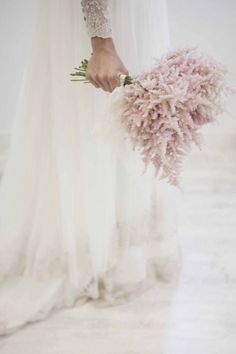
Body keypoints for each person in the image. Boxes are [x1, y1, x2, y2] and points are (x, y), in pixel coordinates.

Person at [0, 0, 181, 335]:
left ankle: (118, 246)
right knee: (83, 112)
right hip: (99, 13)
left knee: (128, 114)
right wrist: (101, 42)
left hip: (133, 9)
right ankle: (81, 247)